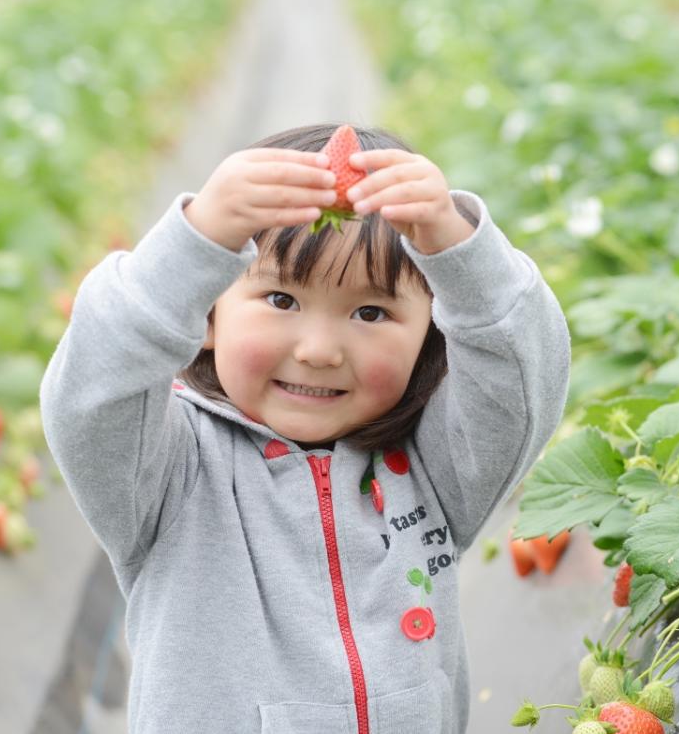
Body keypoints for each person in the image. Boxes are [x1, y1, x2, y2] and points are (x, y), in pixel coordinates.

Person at [39, 122, 571, 733]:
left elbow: (525, 378)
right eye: (282, 301)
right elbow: (90, 391)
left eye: (371, 312)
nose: (319, 350)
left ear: (431, 335)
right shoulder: (168, 476)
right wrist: (196, 243)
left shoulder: (437, 471)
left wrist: (458, 248)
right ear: (207, 315)